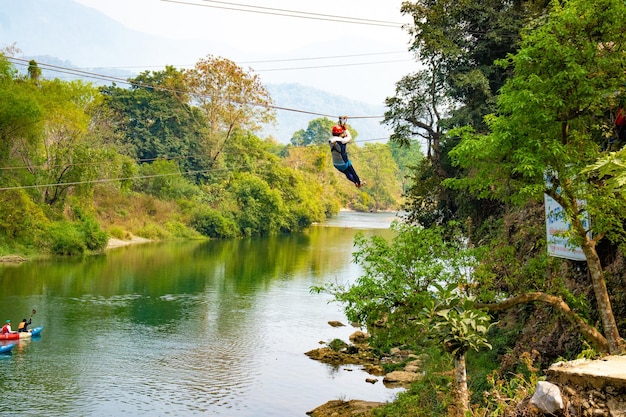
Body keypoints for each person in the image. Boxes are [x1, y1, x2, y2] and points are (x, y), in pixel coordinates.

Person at [329, 117, 363, 188]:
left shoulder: (331, 140)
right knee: (352, 171)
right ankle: (358, 182)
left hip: (336, 164)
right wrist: (345, 128)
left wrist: (340, 123)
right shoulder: (342, 141)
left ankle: (355, 182)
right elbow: (349, 137)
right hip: (344, 163)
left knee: (347, 173)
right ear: (340, 133)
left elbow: (335, 136)